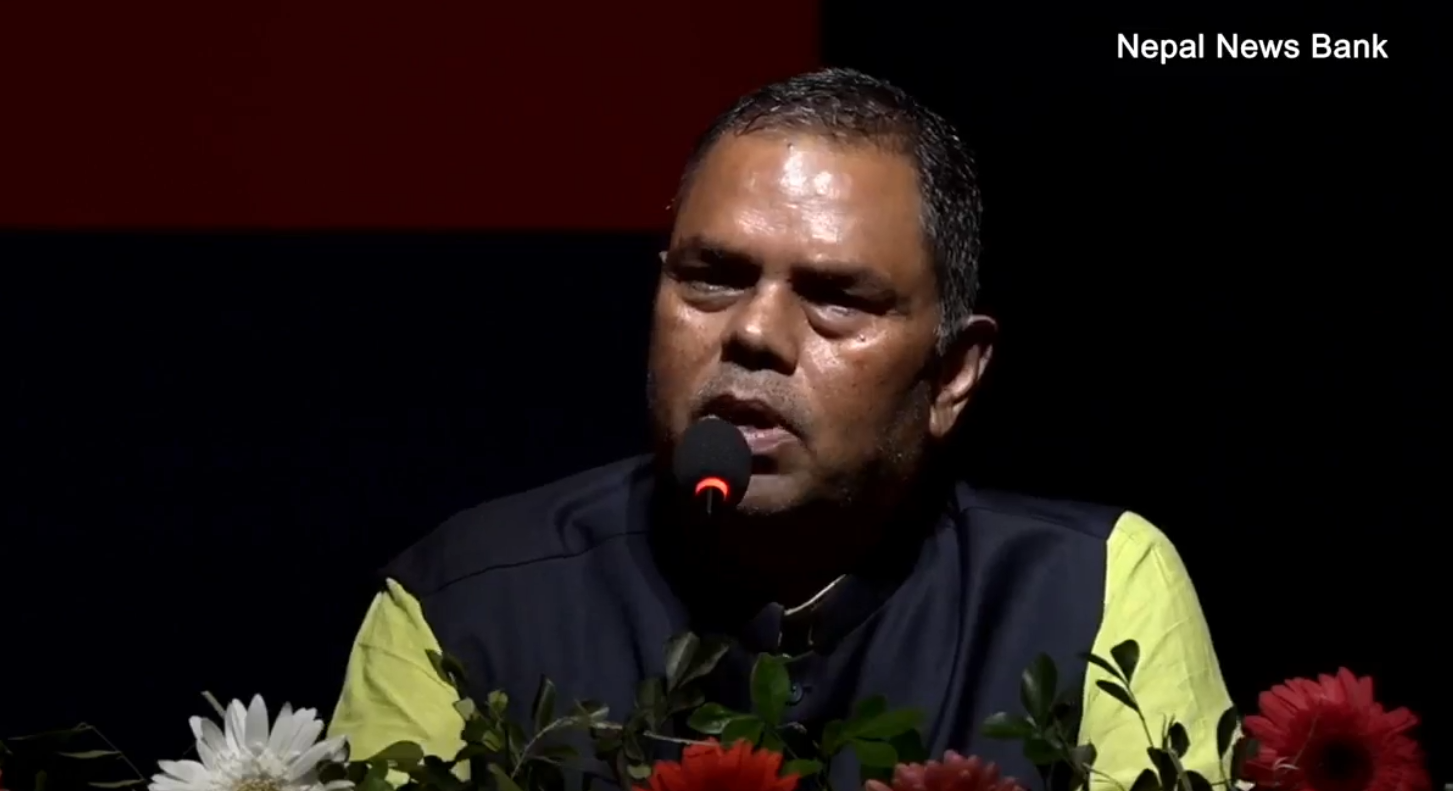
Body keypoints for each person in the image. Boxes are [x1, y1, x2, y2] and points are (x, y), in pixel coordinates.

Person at [327, 68, 1232, 790]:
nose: (754, 331)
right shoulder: (462, 603)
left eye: (836, 297)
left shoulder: (1091, 588)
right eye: (711, 277)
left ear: (954, 372)